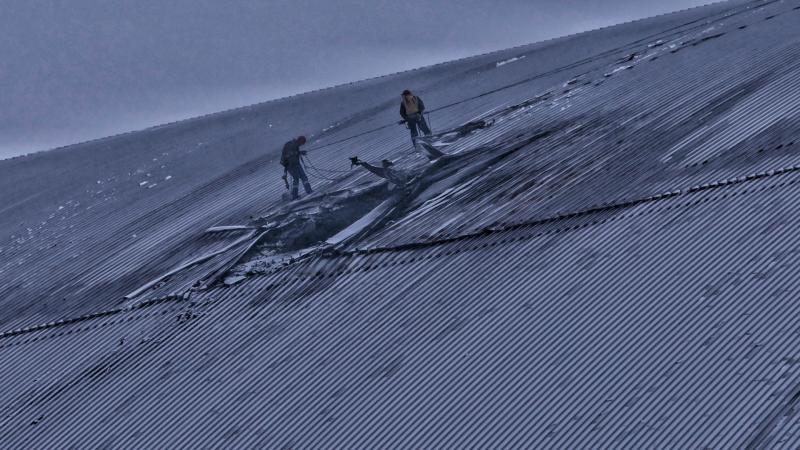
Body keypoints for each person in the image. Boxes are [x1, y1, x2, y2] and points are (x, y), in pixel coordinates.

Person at [280, 135, 313, 200]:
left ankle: (308, 191)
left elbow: (294, 153)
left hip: (295, 164)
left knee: (303, 177)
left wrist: (299, 153)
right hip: (291, 165)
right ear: (300, 141)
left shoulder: (294, 145)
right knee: (297, 179)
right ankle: (296, 194)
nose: (301, 145)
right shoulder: (291, 145)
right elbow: (290, 155)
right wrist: (299, 153)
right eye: (301, 143)